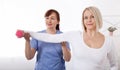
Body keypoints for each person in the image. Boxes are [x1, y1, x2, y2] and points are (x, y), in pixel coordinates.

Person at [23, 6, 118, 70]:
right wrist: (29, 34)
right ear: (83, 20)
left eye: (92, 17)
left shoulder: (109, 41)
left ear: (97, 18)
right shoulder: (75, 35)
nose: (88, 20)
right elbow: (50, 38)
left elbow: (114, 64)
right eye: (85, 17)